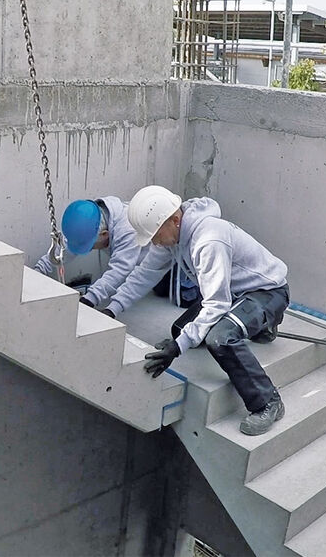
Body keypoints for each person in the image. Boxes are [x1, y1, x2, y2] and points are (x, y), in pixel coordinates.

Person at [101, 185, 291, 436]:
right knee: (181, 329)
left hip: (266, 292)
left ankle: (268, 402)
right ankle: (259, 326)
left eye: (155, 235)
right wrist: (113, 309)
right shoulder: (170, 235)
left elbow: (216, 303)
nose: (154, 242)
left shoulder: (209, 240)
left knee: (219, 339)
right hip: (231, 292)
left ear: (175, 219)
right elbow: (144, 275)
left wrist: (178, 348)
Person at [33, 197, 145, 309]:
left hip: (158, 264)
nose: (90, 249)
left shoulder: (128, 230)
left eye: (90, 246)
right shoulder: (90, 217)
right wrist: (38, 270)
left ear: (104, 234)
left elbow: (120, 269)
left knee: (160, 290)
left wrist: (90, 298)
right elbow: (65, 248)